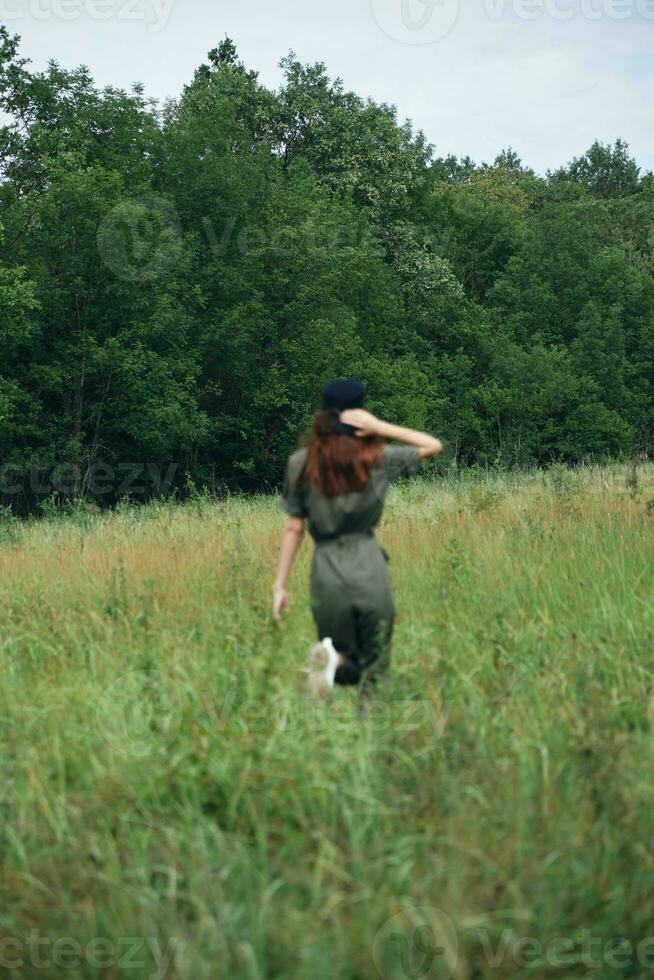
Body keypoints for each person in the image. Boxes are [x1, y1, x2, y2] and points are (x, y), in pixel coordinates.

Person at [273, 378, 443, 699]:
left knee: (346, 661)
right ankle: (371, 737)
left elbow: (294, 528)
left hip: (326, 570)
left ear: (323, 416)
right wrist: (381, 426)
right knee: (375, 668)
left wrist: (279, 585)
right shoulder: (378, 457)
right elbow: (433, 446)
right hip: (368, 564)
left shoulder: (301, 463)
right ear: (360, 414)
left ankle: (333, 660)